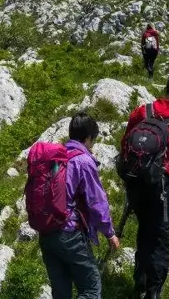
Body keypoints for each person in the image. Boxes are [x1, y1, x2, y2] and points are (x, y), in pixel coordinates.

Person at [120, 73, 169, 299]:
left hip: (136, 183)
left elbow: (126, 142)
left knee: (144, 229)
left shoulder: (142, 112)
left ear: (166, 89)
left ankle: (140, 278)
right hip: (161, 187)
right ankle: (153, 291)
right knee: (160, 239)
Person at [33, 113, 119, 299]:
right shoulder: (83, 161)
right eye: (93, 140)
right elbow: (96, 201)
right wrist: (109, 233)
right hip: (69, 233)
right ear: (88, 138)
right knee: (90, 289)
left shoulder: (56, 158)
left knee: (61, 293)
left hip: (46, 232)